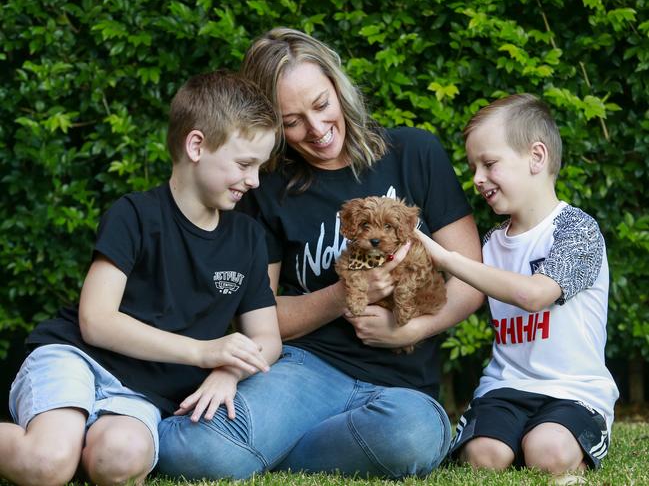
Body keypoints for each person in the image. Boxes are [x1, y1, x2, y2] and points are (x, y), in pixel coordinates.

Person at [158, 27, 483, 480]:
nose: (315, 130)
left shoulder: (414, 152)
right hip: (305, 370)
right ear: (271, 126)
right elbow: (260, 315)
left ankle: (269, 451)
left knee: (412, 438)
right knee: (191, 454)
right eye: (291, 121)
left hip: (402, 388)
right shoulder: (263, 189)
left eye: (320, 104)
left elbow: (471, 277)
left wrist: (411, 328)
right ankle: (275, 443)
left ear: (338, 87)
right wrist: (346, 293)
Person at [0, 70, 282, 486]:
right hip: (77, 358)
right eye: (244, 164)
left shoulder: (249, 239)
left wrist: (227, 371)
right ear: (197, 145)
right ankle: (55, 441)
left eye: (260, 167)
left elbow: (267, 338)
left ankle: (79, 438)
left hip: (146, 394)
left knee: (119, 459)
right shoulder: (134, 215)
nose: (254, 180)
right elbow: (95, 321)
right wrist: (204, 353)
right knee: (47, 463)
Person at [415, 93, 619, 474]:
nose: (477, 178)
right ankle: (511, 436)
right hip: (505, 388)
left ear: (536, 157)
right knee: (484, 457)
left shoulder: (577, 230)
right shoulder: (491, 242)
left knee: (549, 453)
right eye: (473, 166)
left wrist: (446, 258)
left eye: (489, 163)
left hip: (573, 391)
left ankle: (554, 437)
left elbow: (534, 294)